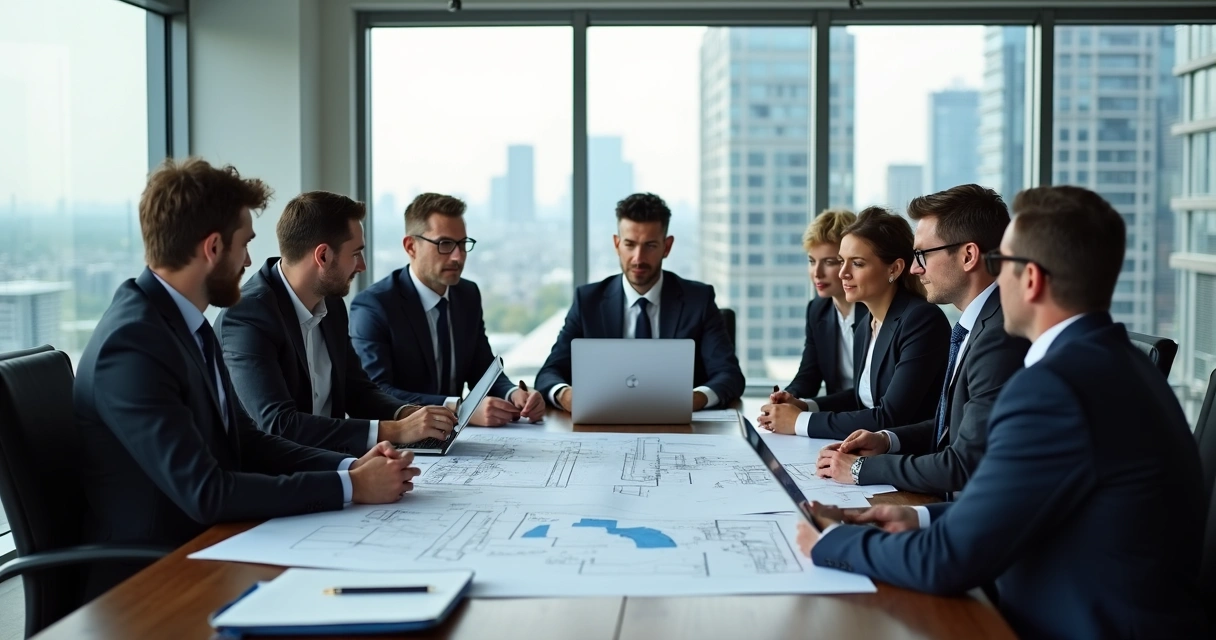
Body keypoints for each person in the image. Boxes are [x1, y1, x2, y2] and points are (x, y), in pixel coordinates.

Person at [800, 186, 1209, 639]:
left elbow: (949, 560)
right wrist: (918, 517)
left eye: (1003, 264)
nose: (995, 278)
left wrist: (833, 541)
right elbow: (1029, 505)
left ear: (1030, 278)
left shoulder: (1054, 388)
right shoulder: (1119, 363)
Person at [75, 159, 418, 597]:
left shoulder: (183, 326)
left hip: (211, 546)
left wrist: (350, 466)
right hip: (151, 581)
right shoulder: (133, 345)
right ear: (214, 248)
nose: (250, 261)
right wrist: (349, 487)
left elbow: (247, 441)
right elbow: (207, 491)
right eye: (245, 244)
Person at [816, 185, 1029, 494]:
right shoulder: (980, 325)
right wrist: (888, 440)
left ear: (968, 255)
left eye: (922, 255)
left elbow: (963, 463)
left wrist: (860, 468)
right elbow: (956, 428)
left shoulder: (999, 336)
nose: (915, 268)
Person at [218, 191, 457, 455]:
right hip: (281, 478)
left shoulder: (331, 302)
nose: (362, 266)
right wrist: (396, 430)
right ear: (322, 256)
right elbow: (278, 425)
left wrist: (408, 413)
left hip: (334, 462)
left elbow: (357, 390)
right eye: (356, 254)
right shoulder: (248, 316)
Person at [535, 192, 745, 412]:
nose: (638, 258)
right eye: (630, 244)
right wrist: (565, 394)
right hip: (603, 421)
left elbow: (729, 375)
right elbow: (549, 372)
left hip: (678, 426)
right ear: (617, 244)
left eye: (650, 245)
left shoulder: (698, 300)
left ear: (667, 246)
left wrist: (694, 399)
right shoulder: (588, 301)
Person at [349, 193, 543, 426]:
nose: (458, 256)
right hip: (400, 442)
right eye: (445, 244)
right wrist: (461, 410)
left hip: (459, 444)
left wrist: (514, 394)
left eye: (462, 244)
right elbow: (378, 393)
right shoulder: (375, 306)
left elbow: (482, 369)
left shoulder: (467, 295)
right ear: (411, 246)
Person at [759, 207, 949, 440]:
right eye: (841, 261)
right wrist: (804, 405)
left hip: (911, 457)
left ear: (895, 268)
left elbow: (889, 416)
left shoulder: (921, 320)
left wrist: (799, 421)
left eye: (857, 263)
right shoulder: (867, 325)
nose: (843, 273)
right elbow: (861, 399)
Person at [781, 208, 867, 403]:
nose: (817, 273)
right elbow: (808, 376)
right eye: (812, 261)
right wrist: (787, 397)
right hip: (836, 418)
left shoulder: (873, 310)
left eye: (829, 262)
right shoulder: (818, 309)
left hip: (871, 421)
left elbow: (866, 393)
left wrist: (807, 407)